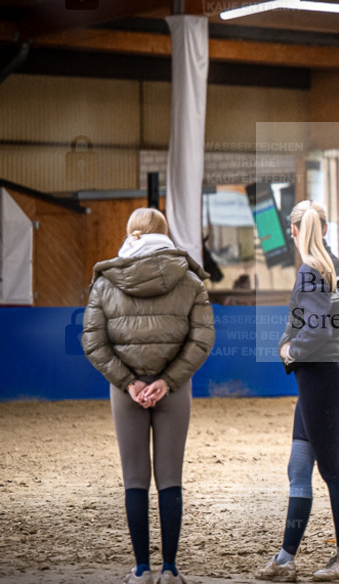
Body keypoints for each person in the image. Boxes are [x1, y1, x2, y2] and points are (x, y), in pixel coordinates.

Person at [81, 208, 214, 584]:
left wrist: (130, 382)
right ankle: (170, 568)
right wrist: (169, 381)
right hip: (174, 389)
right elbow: (202, 337)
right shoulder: (189, 280)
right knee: (170, 477)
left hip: (127, 392)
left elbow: (93, 341)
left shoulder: (105, 281)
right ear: (165, 234)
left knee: (134, 479)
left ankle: (141, 569)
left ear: (130, 233)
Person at [256, 200, 339, 582]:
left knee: (333, 472)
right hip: (323, 379)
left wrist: (289, 350)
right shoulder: (334, 266)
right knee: (299, 468)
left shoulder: (308, 271)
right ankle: (285, 559)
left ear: (294, 231)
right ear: (326, 230)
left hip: (318, 380)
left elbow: (317, 329)